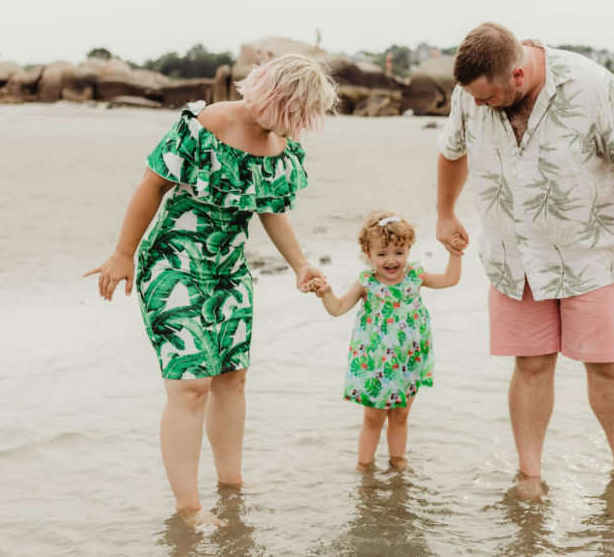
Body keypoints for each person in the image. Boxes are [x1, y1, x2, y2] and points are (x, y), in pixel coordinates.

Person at [85, 54, 337, 527]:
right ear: (268, 92)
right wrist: (124, 254)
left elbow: (270, 209)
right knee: (190, 384)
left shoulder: (279, 144)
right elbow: (151, 184)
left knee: (231, 378)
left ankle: (231, 482)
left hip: (229, 269)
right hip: (174, 259)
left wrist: (301, 265)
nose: (295, 124)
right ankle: (189, 508)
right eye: (292, 111)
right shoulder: (207, 123)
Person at [435, 22, 614, 499]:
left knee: (605, 365)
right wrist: (444, 212)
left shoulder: (592, 86)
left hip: (591, 253)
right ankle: (530, 476)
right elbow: (451, 150)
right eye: (473, 98)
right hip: (511, 255)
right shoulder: (470, 94)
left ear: (517, 75)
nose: (478, 106)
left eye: (488, 98)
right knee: (531, 365)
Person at [310, 210, 464, 471]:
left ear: (408, 251)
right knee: (373, 418)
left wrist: (455, 254)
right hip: (376, 364)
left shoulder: (416, 277)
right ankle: (364, 466)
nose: (391, 260)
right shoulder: (366, 284)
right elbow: (337, 308)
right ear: (368, 255)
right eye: (382, 254)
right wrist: (326, 292)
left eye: (399, 252)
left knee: (401, 414)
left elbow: (450, 279)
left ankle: (397, 460)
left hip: (409, 360)